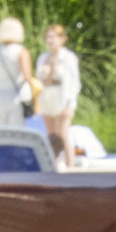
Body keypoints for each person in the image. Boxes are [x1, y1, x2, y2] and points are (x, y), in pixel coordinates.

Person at [35, 23, 80, 156]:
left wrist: (69, 102)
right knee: (51, 134)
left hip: (62, 98)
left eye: (53, 37)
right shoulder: (42, 58)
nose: (50, 40)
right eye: (48, 37)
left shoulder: (68, 58)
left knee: (63, 133)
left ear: (61, 38)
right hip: (47, 98)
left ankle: (70, 164)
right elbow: (39, 81)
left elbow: (75, 82)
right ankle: (54, 164)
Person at [0, 14, 32, 127]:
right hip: (16, 95)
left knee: (0, 129)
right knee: (17, 130)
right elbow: (27, 77)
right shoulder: (22, 51)